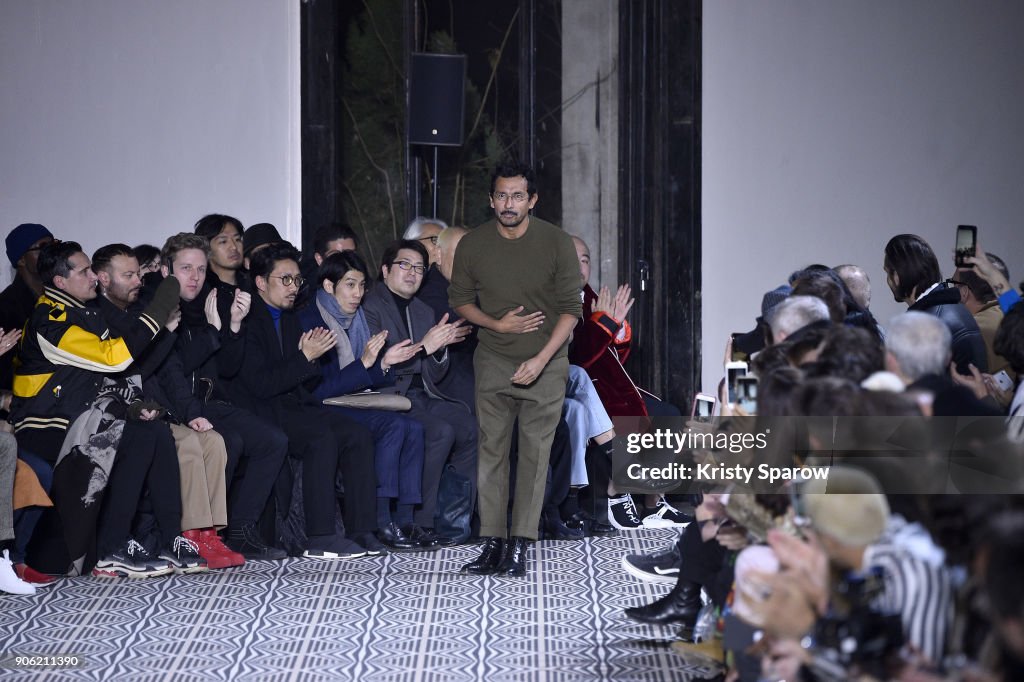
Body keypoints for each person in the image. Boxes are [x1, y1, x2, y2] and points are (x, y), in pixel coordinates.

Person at [449, 162, 582, 576]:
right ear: (491, 200)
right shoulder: (473, 244)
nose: (509, 204)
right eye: (502, 196)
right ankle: (492, 541)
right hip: (492, 358)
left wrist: (540, 361)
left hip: (546, 360)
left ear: (532, 200)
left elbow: (571, 310)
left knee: (534, 453)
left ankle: (521, 543)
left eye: (517, 196)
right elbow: (460, 300)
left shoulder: (557, 242)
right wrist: (495, 323)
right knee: (491, 452)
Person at [228, 241, 379, 559]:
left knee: (356, 433)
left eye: (297, 280)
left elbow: (304, 381)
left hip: (291, 404)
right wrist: (304, 358)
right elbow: (260, 385)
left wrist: (309, 359)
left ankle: (361, 529)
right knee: (320, 437)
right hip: (260, 410)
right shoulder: (249, 320)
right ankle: (320, 535)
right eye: (285, 279)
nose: (294, 287)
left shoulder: (291, 317)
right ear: (260, 282)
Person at [157, 233, 289, 561]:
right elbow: (170, 368)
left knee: (272, 440)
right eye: (185, 268)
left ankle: (240, 530)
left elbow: (227, 368)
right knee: (228, 441)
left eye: (200, 269)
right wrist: (216, 333)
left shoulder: (205, 304)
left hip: (210, 400)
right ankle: (203, 533)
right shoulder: (158, 306)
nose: (194, 277)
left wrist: (232, 326)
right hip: (173, 405)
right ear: (165, 270)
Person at [298, 250, 434, 551]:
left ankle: (406, 519)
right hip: (325, 407)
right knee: (394, 426)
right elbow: (319, 390)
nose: (358, 294)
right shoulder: (311, 320)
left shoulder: (356, 318)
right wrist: (369, 362)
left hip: (354, 401)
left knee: (414, 428)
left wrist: (384, 362)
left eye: (361, 285)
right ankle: (381, 520)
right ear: (329, 286)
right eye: (350, 285)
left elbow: (368, 375)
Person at [362, 239, 476, 546]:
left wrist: (438, 351)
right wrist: (426, 346)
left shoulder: (422, 309)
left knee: (470, 427)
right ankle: (417, 520)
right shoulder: (370, 305)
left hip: (421, 395)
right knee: (439, 431)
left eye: (419, 268)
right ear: (385, 270)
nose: (412, 273)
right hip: (385, 395)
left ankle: (452, 521)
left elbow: (433, 372)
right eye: (404, 265)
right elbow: (382, 364)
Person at [883, 234, 987, 374]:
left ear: (896, 275)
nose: (887, 281)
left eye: (887, 272)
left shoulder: (925, 324)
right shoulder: (957, 309)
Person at [0, 223, 55, 390]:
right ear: (21, 259)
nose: (51, 253)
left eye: (54, 245)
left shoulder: (66, 296)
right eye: (43, 247)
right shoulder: (5, 308)